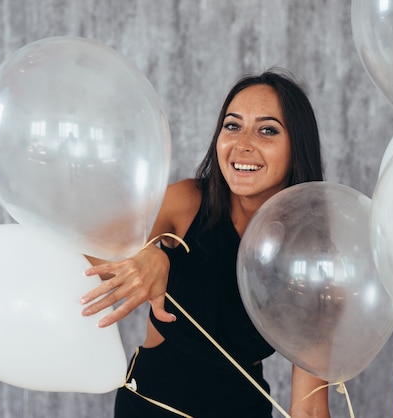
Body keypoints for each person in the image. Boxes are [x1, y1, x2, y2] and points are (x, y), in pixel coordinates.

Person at [80, 69, 331, 418]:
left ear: (297, 147)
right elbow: (86, 257)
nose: (243, 144)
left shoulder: (314, 257)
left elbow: (310, 410)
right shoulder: (186, 202)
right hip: (152, 407)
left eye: (267, 130)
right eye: (232, 126)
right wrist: (147, 253)